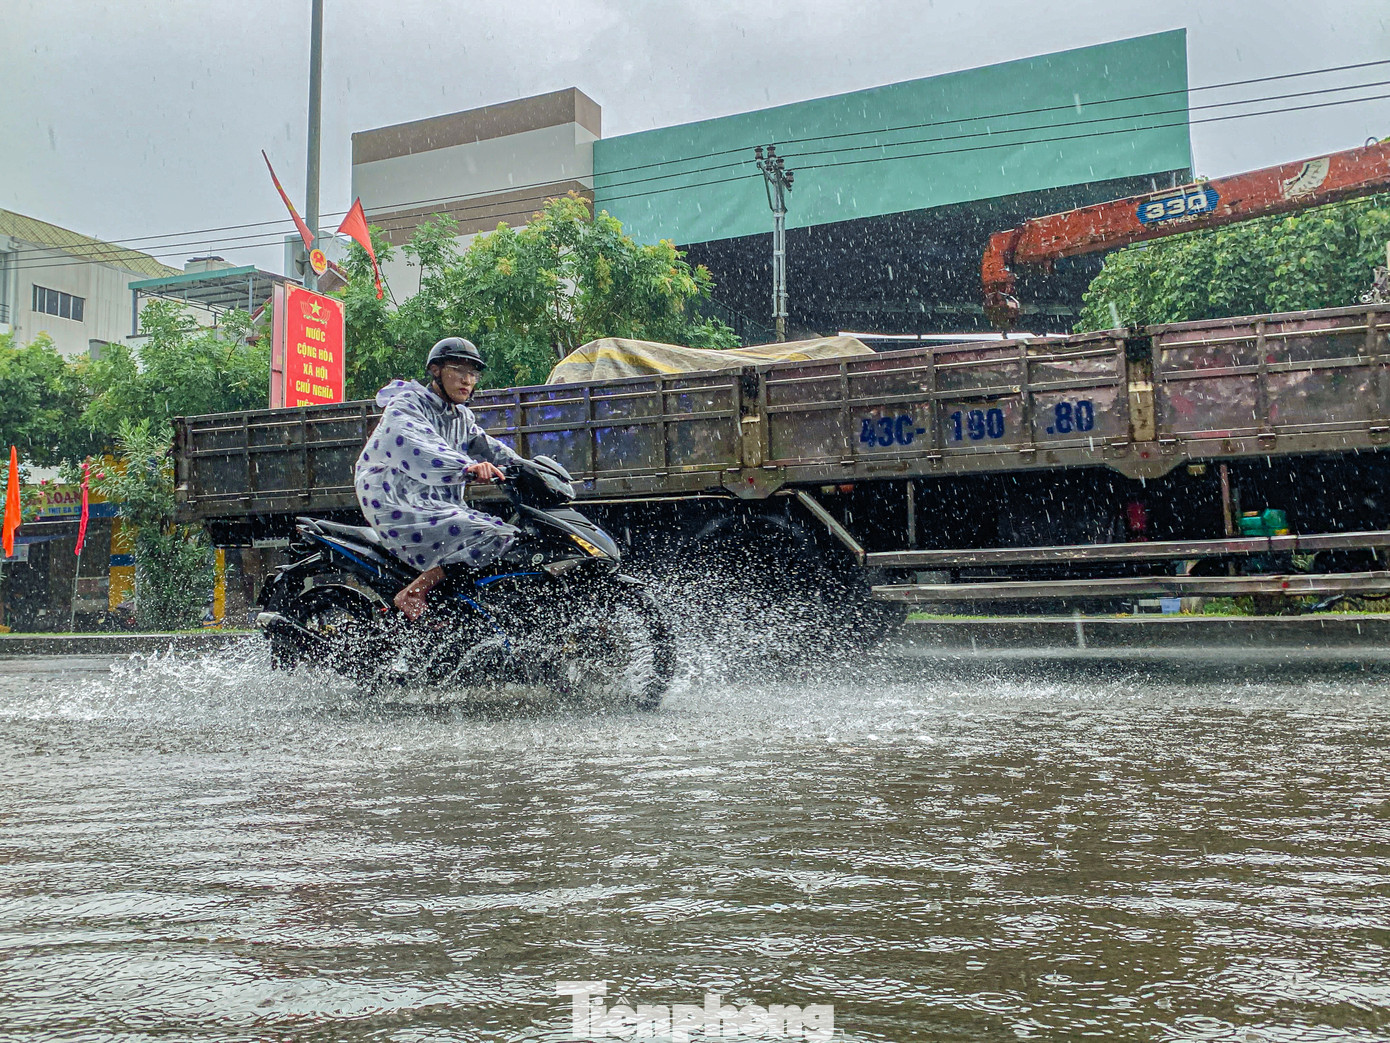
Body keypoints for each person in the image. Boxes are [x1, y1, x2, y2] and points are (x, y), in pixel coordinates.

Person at [354, 337, 523, 620]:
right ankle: (414, 591)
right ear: (436, 371)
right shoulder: (407, 403)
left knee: (513, 536)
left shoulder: (461, 417)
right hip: (397, 500)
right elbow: (417, 446)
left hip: (437, 503)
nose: (467, 380)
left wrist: (530, 469)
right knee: (496, 535)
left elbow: (491, 448)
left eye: (473, 373)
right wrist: (467, 467)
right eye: (458, 370)